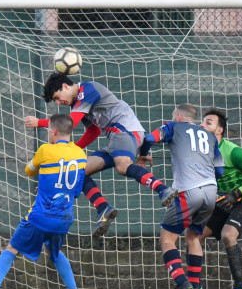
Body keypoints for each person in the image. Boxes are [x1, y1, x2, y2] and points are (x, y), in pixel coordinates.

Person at [24, 73, 178, 238]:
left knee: (122, 166)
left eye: (57, 97)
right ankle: (103, 208)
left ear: (65, 86)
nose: (58, 102)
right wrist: (72, 150)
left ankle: (163, 190)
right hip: (116, 140)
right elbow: (93, 131)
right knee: (78, 171)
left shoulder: (87, 90)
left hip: (126, 131)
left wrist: (39, 122)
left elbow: (68, 124)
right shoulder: (77, 104)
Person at [0, 114, 87, 289]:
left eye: (48, 130)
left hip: (41, 216)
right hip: (64, 217)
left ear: (54, 131)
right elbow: (76, 191)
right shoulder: (80, 154)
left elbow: (29, 170)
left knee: (12, 249)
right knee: (54, 252)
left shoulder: (45, 149)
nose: (48, 133)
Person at [137, 104, 224, 289]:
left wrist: (144, 153)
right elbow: (219, 170)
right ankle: (194, 288)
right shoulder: (209, 136)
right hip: (211, 192)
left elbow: (149, 138)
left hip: (188, 190)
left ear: (177, 116)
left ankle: (181, 283)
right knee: (193, 236)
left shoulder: (173, 126)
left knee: (167, 238)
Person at [198, 108, 242, 289]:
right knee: (193, 234)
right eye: (202, 122)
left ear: (219, 130)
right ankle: (194, 287)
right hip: (222, 203)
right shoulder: (201, 153)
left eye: (208, 122)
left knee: (228, 235)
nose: (202, 125)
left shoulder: (234, 151)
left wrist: (237, 194)